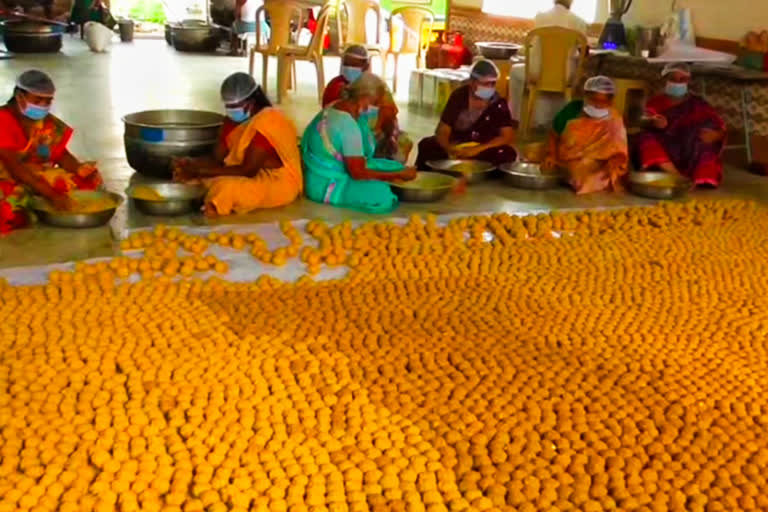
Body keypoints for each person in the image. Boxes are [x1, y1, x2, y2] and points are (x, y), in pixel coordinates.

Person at [172, 72, 302, 216]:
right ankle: (210, 199)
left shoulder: (268, 122)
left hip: (277, 181)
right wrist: (191, 163)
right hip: (244, 173)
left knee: (227, 189)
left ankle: (214, 206)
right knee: (192, 179)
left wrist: (199, 170)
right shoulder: (230, 122)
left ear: (251, 103)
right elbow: (217, 159)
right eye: (228, 106)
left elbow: (248, 170)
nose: (231, 110)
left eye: (235, 106)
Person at [0, 70, 102, 233]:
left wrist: (79, 168)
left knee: (86, 182)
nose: (43, 106)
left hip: (33, 175)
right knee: (12, 209)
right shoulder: (2, 120)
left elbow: (60, 154)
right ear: (20, 97)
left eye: (48, 101)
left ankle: (40, 200)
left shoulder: (44, 122)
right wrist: (52, 195)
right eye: (37, 100)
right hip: (9, 177)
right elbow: (16, 169)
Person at [302, 73, 417, 214]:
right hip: (326, 183)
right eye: (376, 103)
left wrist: (396, 171)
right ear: (365, 99)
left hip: (326, 172)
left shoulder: (337, 106)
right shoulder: (347, 125)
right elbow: (358, 173)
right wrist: (396, 175)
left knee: (393, 166)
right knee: (381, 194)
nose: (377, 107)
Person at [633, 63, 726, 187]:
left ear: (688, 81)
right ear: (666, 80)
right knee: (643, 138)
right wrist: (652, 121)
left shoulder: (698, 103)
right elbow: (641, 120)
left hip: (690, 149)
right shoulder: (656, 102)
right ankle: (676, 176)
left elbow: (720, 128)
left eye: (682, 79)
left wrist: (715, 135)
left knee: (706, 146)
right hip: (666, 152)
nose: (677, 83)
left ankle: (700, 180)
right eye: (673, 79)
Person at [415, 59, 517, 169]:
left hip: (483, 149)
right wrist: (450, 148)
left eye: (493, 83)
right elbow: (443, 130)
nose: (490, 87)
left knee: (506, 153)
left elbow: (507, 136)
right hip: (458, 145)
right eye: (485, 83)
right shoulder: (459, 97)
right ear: (472, 82)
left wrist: (477, 149)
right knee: (426, 145)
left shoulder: (498, 103)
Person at [323, 45, 413, 163]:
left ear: (366, 66)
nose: (350, 68)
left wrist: (391, 136)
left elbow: (390, 115)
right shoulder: (336, 87)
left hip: (376, 134)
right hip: (349, 135)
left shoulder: (376, 86)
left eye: (355, 65)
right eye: (347, 64)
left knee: (402, 142)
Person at [542, 76, 628, 194]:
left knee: (603, 177)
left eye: (603, 102)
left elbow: (619, 147)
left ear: (610, 101)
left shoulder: (614, 118)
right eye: (594, 100)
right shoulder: (572, 110)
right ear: (586, 96)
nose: (598, 105)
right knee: (578, 177)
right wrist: (550, 155)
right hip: (571, 159)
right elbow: (554, 135)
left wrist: (614, 162)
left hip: (601, 163)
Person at [508, 0, 588, 128]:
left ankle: (515, 119)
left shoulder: (541, 17)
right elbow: (583, 51)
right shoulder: (580, 22)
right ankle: (561, 124)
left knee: (514, 70)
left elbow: (533, 46)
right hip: (565, 77)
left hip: (537, 74)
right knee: (579, 74)